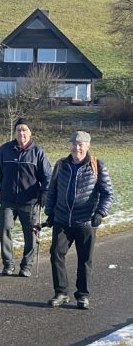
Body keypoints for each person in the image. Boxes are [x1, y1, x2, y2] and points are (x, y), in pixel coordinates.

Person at [40, 131, 113, 310]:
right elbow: (52, 190)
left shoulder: (97, 165)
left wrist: (100, 213)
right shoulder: (61, 164)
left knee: (85, 259)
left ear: (88, 146)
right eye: (74, 144)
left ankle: (82, 295)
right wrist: (50, 212)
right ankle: (61, 292)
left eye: (81, 144)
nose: (77, 148)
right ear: (69, 146)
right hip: (62, 220)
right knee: (56, 254)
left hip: (86, 221)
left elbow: (107, 193)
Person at [0, 118, 52, 277]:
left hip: (30, 201)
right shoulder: (4, 150)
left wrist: (45, 192)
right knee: (4, 229)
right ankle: (8, 264)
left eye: (24, 130)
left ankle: (26, 265)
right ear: (15, 132)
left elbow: (48, 176)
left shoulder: (38, 152)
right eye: (19, 130)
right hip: (7, 200)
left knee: (31, 234)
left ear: (30, 132)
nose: (22, 133)